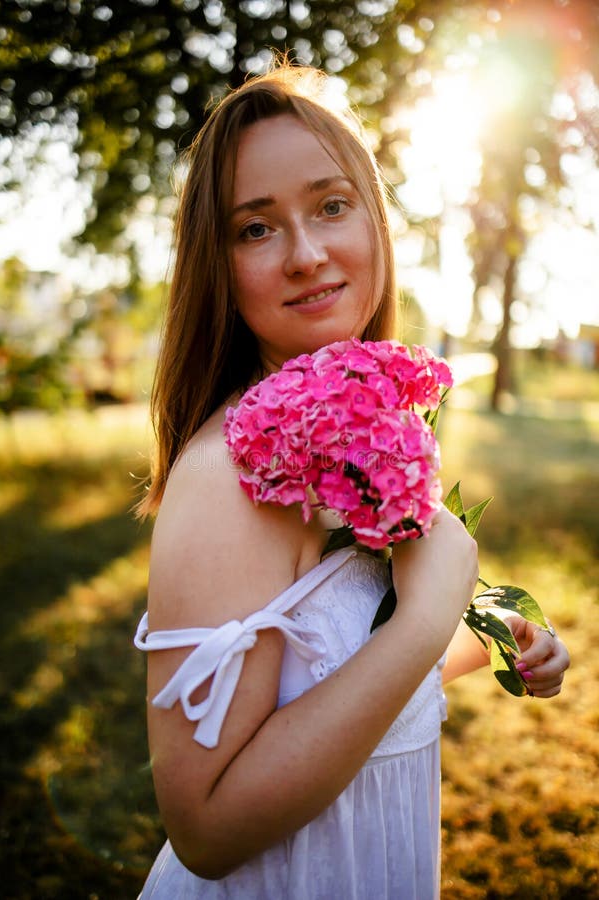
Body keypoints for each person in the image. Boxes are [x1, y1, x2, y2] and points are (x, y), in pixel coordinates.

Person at [133, 62, 570, 899]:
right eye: (255, 228)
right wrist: (422, 621)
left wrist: (488, 636)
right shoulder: (232, 473)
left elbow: (331, 688)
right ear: (216, 266)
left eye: (332, 206)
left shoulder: (365, 431)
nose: (306, 254)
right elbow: (206, 829)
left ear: (376, 218)